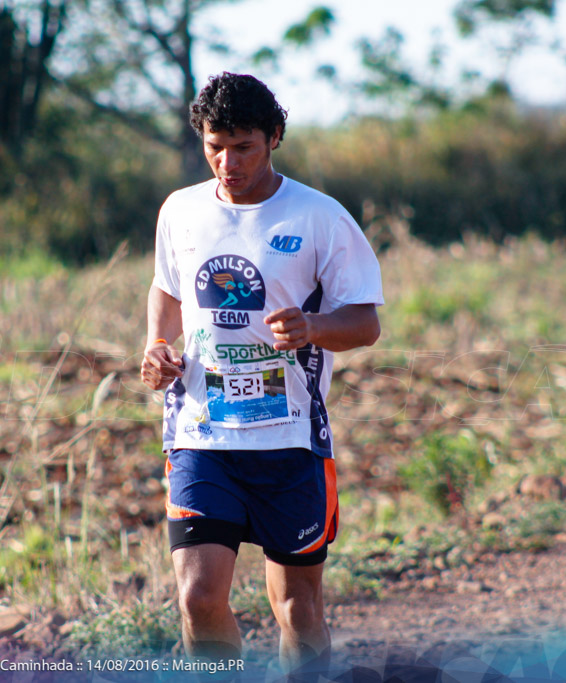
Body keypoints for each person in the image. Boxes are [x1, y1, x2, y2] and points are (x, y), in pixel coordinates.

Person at [140, 72, 383, 673]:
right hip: (203, 435)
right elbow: (167, 288)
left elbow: (365, 323)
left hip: (290, 442)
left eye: (243, 146)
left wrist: (313, 328)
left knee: (297, 610)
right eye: (214, 145)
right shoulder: (181, 210)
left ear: (274, 137)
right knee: (198, 598)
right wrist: (156, 345)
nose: (228, 161)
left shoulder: (320, 217)